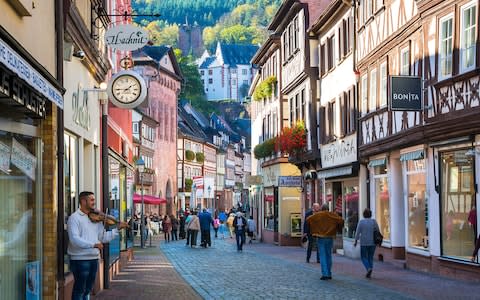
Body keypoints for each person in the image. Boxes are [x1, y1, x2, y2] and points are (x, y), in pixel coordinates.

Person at [67, 191, 128, 300]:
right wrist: (93, 244)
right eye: (91, 200)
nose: (94, 203)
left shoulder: (96, 219)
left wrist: (117, 229)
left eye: (94, 200)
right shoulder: (74, 218)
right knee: (79, 290)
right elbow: (74, 239)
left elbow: (103, 237)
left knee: (87, 290)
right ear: (83, 201)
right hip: (80, 259)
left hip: (94, 258)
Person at [306, 203, 344, 280]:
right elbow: (341, 220)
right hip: (330, 237)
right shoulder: (332, 215)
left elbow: (308, 219)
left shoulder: (318, 215)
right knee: (328, 255)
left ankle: (325, 273)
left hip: (321, 237)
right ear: (328, 209)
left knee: (322, 256)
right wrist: (336, 227)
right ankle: (329, 273)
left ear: (321, 209)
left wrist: (315, 227)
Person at [354, 208, 380, 278]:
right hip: (372, 243)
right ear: (370, 214)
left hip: (364, 242)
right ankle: (370, 271)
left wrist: (356, 241)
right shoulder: (374, 222)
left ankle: (368, 268)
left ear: (364, 215)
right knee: (370, 257)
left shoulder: (361, 222)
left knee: (363, 257)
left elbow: (357, 232)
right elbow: (378, 231)